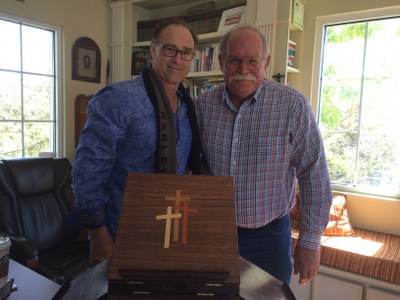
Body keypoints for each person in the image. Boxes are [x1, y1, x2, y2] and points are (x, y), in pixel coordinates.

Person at [195, 24, 332, 286]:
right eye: (234, 60)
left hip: (269, 238)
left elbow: (313, 174)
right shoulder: (202, 105)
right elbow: (193, 168)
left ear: (266, 61)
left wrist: (310, 241)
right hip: (212, 232)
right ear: (222, 61)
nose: (243, 69)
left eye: (252, 61)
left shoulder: (293, 105)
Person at [67, 18, 201, 267]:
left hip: (172, 229)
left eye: (186, 52)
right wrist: (98, 235)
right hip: (122, 232)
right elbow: (88, 171)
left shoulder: (188, 107)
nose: (177, 59)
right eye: (169, 49)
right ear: (153, 50)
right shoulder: (118, 99)